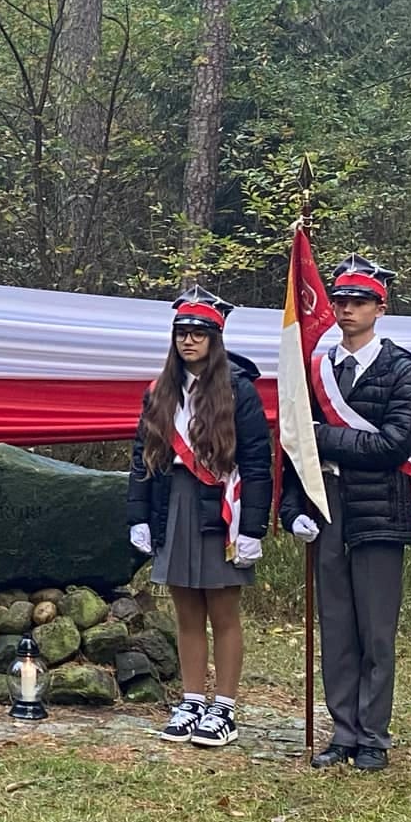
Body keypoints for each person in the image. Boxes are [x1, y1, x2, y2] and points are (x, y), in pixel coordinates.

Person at [279, 255, 411, 773]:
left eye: (358, 301)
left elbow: (394, 444)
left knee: (376, 631)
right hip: (328, 505)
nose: (346, 309)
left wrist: (321, 436)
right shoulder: (317, 368)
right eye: (340, 300)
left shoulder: (401, 369)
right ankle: (342, 731)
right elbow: (293, 448)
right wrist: (291, 506)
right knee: (337, 625)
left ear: (380, 307)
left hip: (381, 509)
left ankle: (373, 735)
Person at [127, 286, 274, 749]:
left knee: (223, 611)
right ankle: (192, 700)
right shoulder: (160, 392)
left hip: (221, 508)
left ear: (216, 338)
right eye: (181, 332)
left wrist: (252, 526)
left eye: (198, 332)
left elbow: (257, 461)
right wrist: (140, 516)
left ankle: (224, 708)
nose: (188, 340)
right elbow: (141, 458)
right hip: (173, 503)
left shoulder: (238, 389)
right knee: (186, 610)